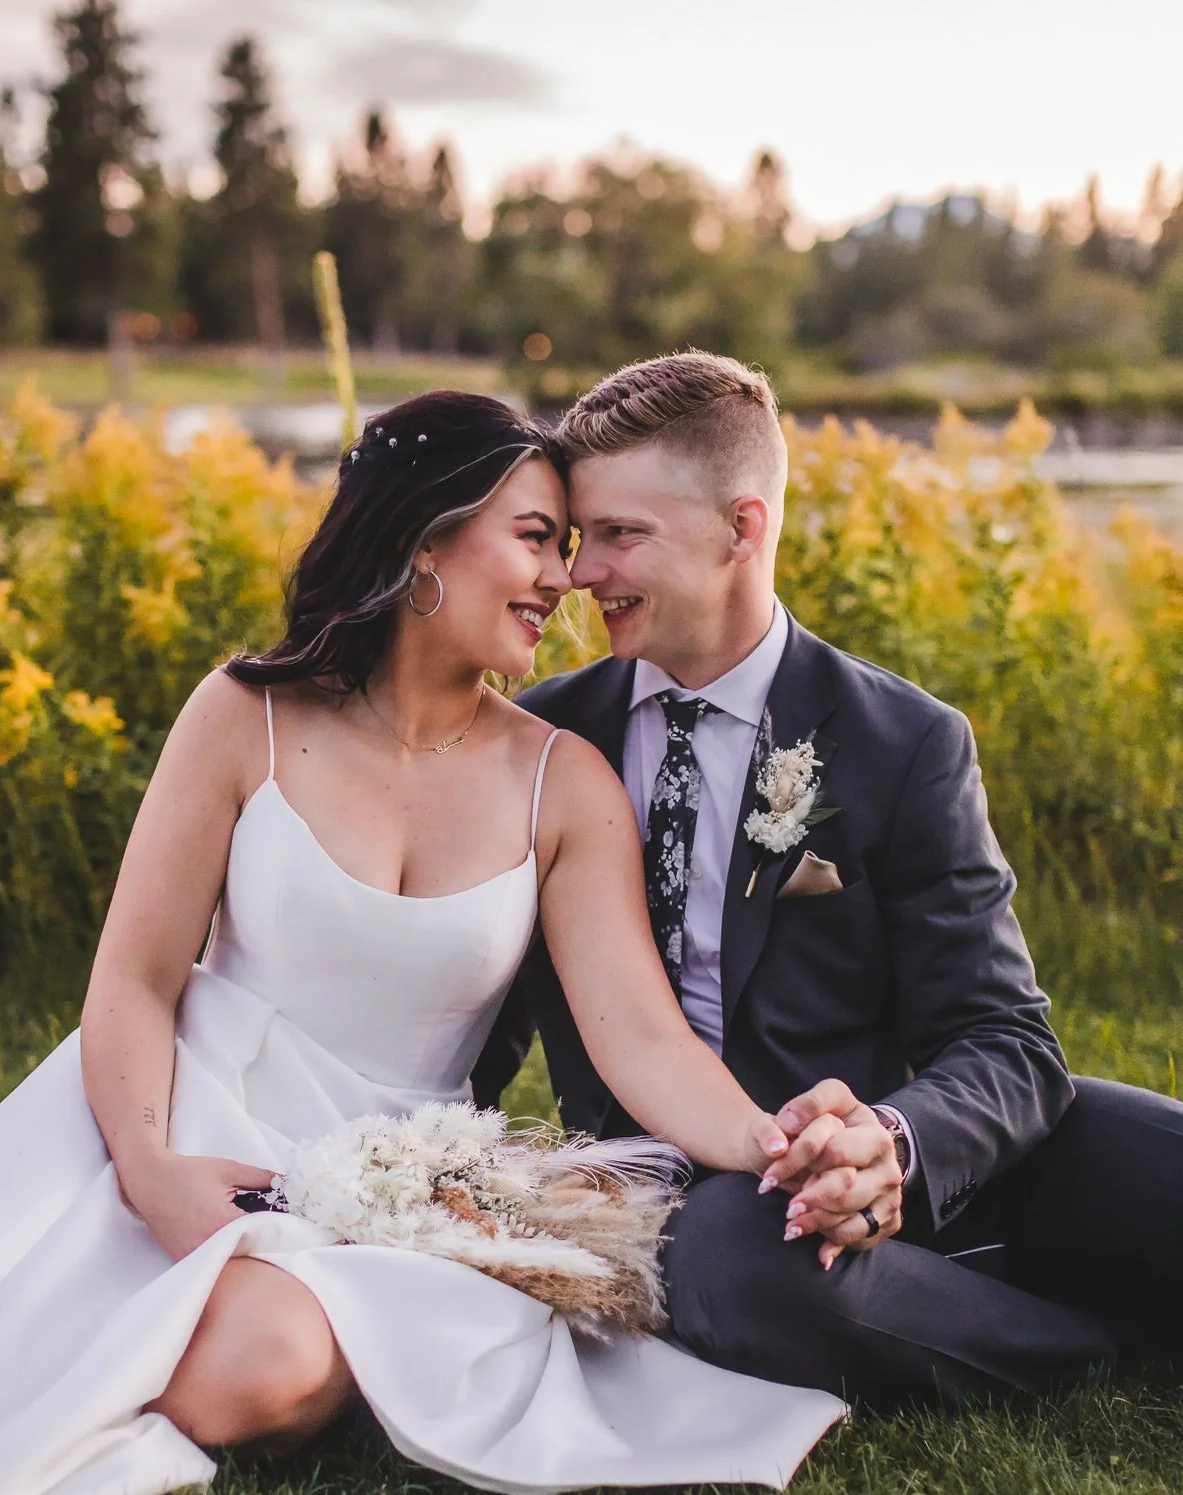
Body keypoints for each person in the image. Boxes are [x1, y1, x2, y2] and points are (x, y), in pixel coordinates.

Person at [0, 391, 848, 1495]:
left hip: (404, 1183)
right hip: (175, 1119)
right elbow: (135, 980)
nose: (563, 576)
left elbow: (643, 1042)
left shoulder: (564, 783)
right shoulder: (242, 712)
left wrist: (783, 1145)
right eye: (532, 536)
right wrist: (151, 1172)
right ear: (422, 543)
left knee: (260, 1375)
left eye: (568, 544)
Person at [478, 351, 1183, 1409]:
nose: (580, 575)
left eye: (620, 535)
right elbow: (472, 1003)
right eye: (580, 539)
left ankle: (939, 1266)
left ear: (741, 528)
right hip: (704, 1204)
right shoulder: (538, 741)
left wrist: (888, 1142)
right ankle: (1078, 1349)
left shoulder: (901, 740)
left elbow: (1006, 1043)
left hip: (878, 1153)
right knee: (729, 1252)